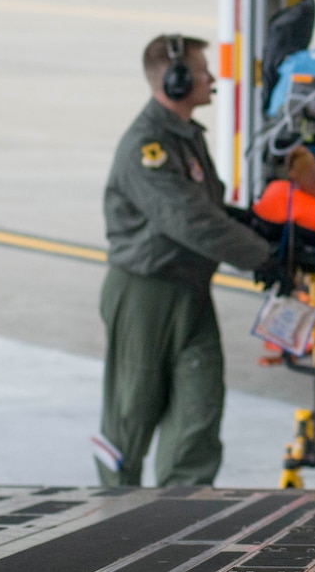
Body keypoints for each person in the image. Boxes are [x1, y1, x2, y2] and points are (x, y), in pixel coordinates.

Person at [96, 34, 274, 487]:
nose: (211, 78)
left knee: (200, 404)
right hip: (146, 292)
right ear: (175, 81)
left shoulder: (184, 137)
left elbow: (208, 208)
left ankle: (183, 511)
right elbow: (189, 220)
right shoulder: (147, 146)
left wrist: (258, 227)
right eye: (201, 71)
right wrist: (262, 258)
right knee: (132, 409)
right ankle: (112, 510)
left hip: (191, 288)